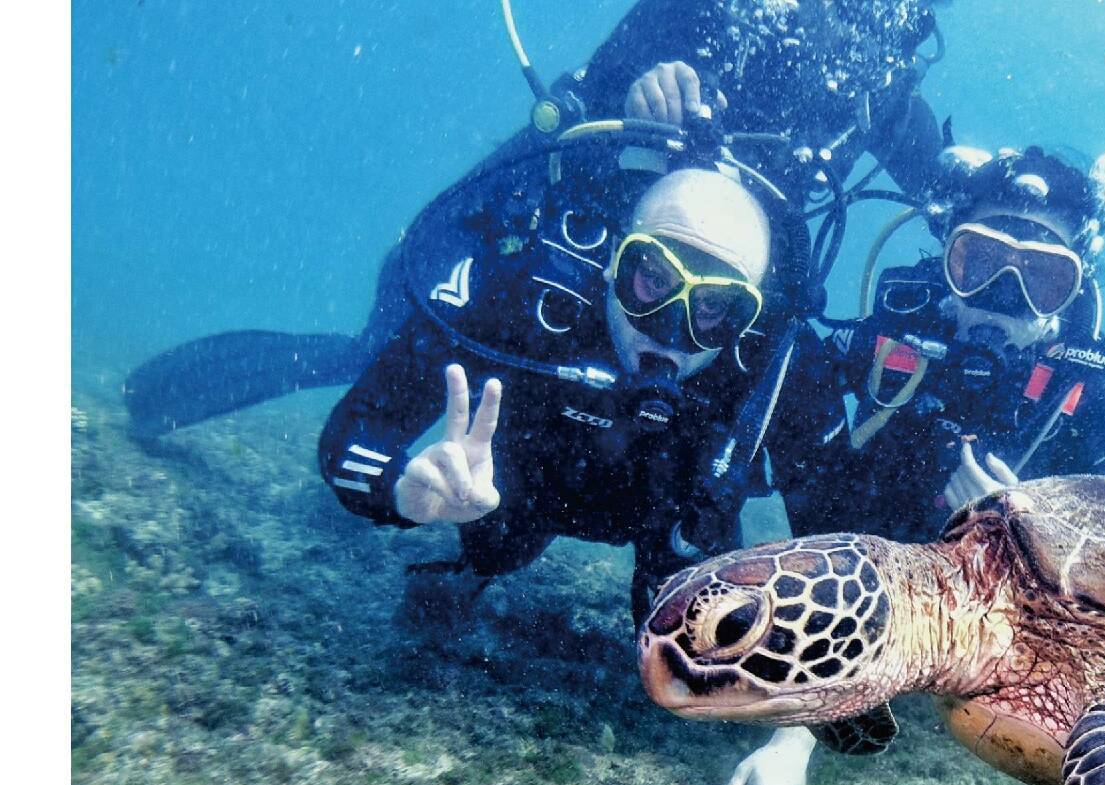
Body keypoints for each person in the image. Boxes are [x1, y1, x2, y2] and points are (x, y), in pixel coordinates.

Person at [123, 0, 950, 438]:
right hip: (603, 252)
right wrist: (631, 109)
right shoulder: (703, 9)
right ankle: (332, 363)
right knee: (403, 341)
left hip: (712, 306)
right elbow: (567, 120)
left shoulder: (884, 90)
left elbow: (954, 204)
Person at [712, 144, 1105, 785]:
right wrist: (793, 741)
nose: (1004, 299)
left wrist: (1029, 534)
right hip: (871, 594)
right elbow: (831, 541)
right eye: (980, 263)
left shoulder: (1085, 411)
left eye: (1040, 277)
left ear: (1071, 295)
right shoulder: (882, 352)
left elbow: (1090, 598)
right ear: (947, 259)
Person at [318, 161, 784, 625]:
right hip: (518, 498)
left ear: (745, 317)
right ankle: (474, 567)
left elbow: (840, 526)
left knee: (694, 623)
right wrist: (400, 492)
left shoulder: (765, 368)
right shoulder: (524, 296)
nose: (668, 330)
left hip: (672, 529)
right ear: (614, 262)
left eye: (711, 305)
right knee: (497, 544)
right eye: (655, 280)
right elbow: (353, 431)